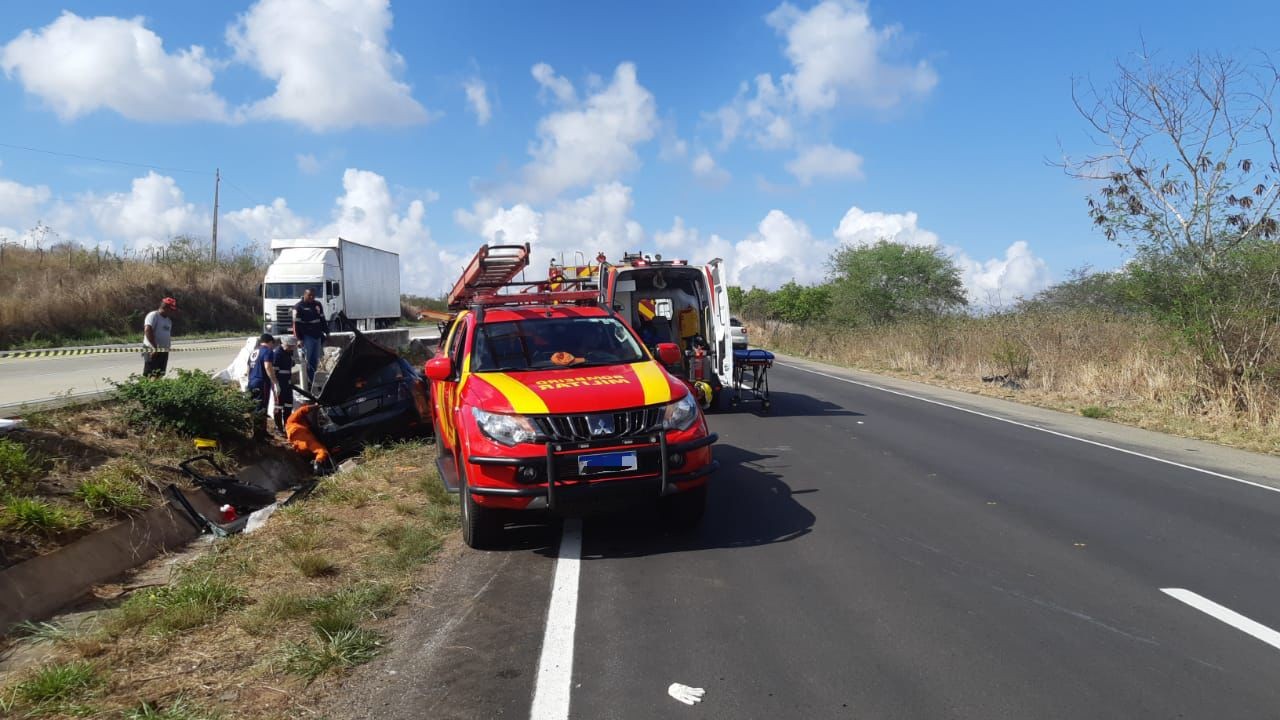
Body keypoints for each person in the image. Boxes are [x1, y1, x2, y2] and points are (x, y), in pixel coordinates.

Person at [292, 288, 328, 390]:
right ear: (305, 295)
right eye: (309, 295)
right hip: (307, 337)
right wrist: (298, 339)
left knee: (315, 361)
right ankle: (307, 383)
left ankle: (314, 382)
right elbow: (295, 325)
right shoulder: (299, 307)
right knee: (306, 362)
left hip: (317, 336)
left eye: (313, 295)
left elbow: (322, 319)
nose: (311, 297)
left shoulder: (317, 304)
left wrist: (327, 332)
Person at [142, 297, 179, 378]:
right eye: (171, 309)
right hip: (152, 349)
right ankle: (148, 389)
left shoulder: (168, 320)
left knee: (160, 373)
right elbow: (148, 330)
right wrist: (154, 347)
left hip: (163, 350)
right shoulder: (154, 315)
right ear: (164, 307)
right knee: (151, 374)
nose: (172, 312)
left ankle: (156, 389)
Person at [269, 335, 298, 433]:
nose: (291, 348)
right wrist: (276, 384)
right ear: (284, 344)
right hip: (279, 383)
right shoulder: (277, 354)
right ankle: (278, 428)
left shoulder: (288, 352)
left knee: (288, 405)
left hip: (287, 383)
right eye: (290, 346)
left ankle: (287, 425)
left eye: (292, 347)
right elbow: (274, 371)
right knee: (278, 406)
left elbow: (290, 364)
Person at [247, 333, 275, 419]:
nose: (272, 346)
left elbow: (248, 368)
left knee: (254, 405)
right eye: (272, 344)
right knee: (262, 406)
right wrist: (274, 381)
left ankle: (255, 428)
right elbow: (267, 366)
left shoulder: (254, 351)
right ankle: (260, 431)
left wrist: (249, 380)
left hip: (252, 381)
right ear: (270, 342)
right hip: (262, 382)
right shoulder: (268, 351)